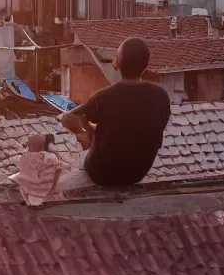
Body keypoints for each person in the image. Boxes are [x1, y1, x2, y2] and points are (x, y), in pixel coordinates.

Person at [60, 37, 171, 187]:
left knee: (76, 134)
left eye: (117, 54)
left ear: (119, 61)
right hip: (137, 173)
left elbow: (71, 117)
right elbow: (142, 129)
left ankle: (84, 138)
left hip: (102, 174)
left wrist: (79, 129)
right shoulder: (161, 96)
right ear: (146, 63)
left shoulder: (102, 98)